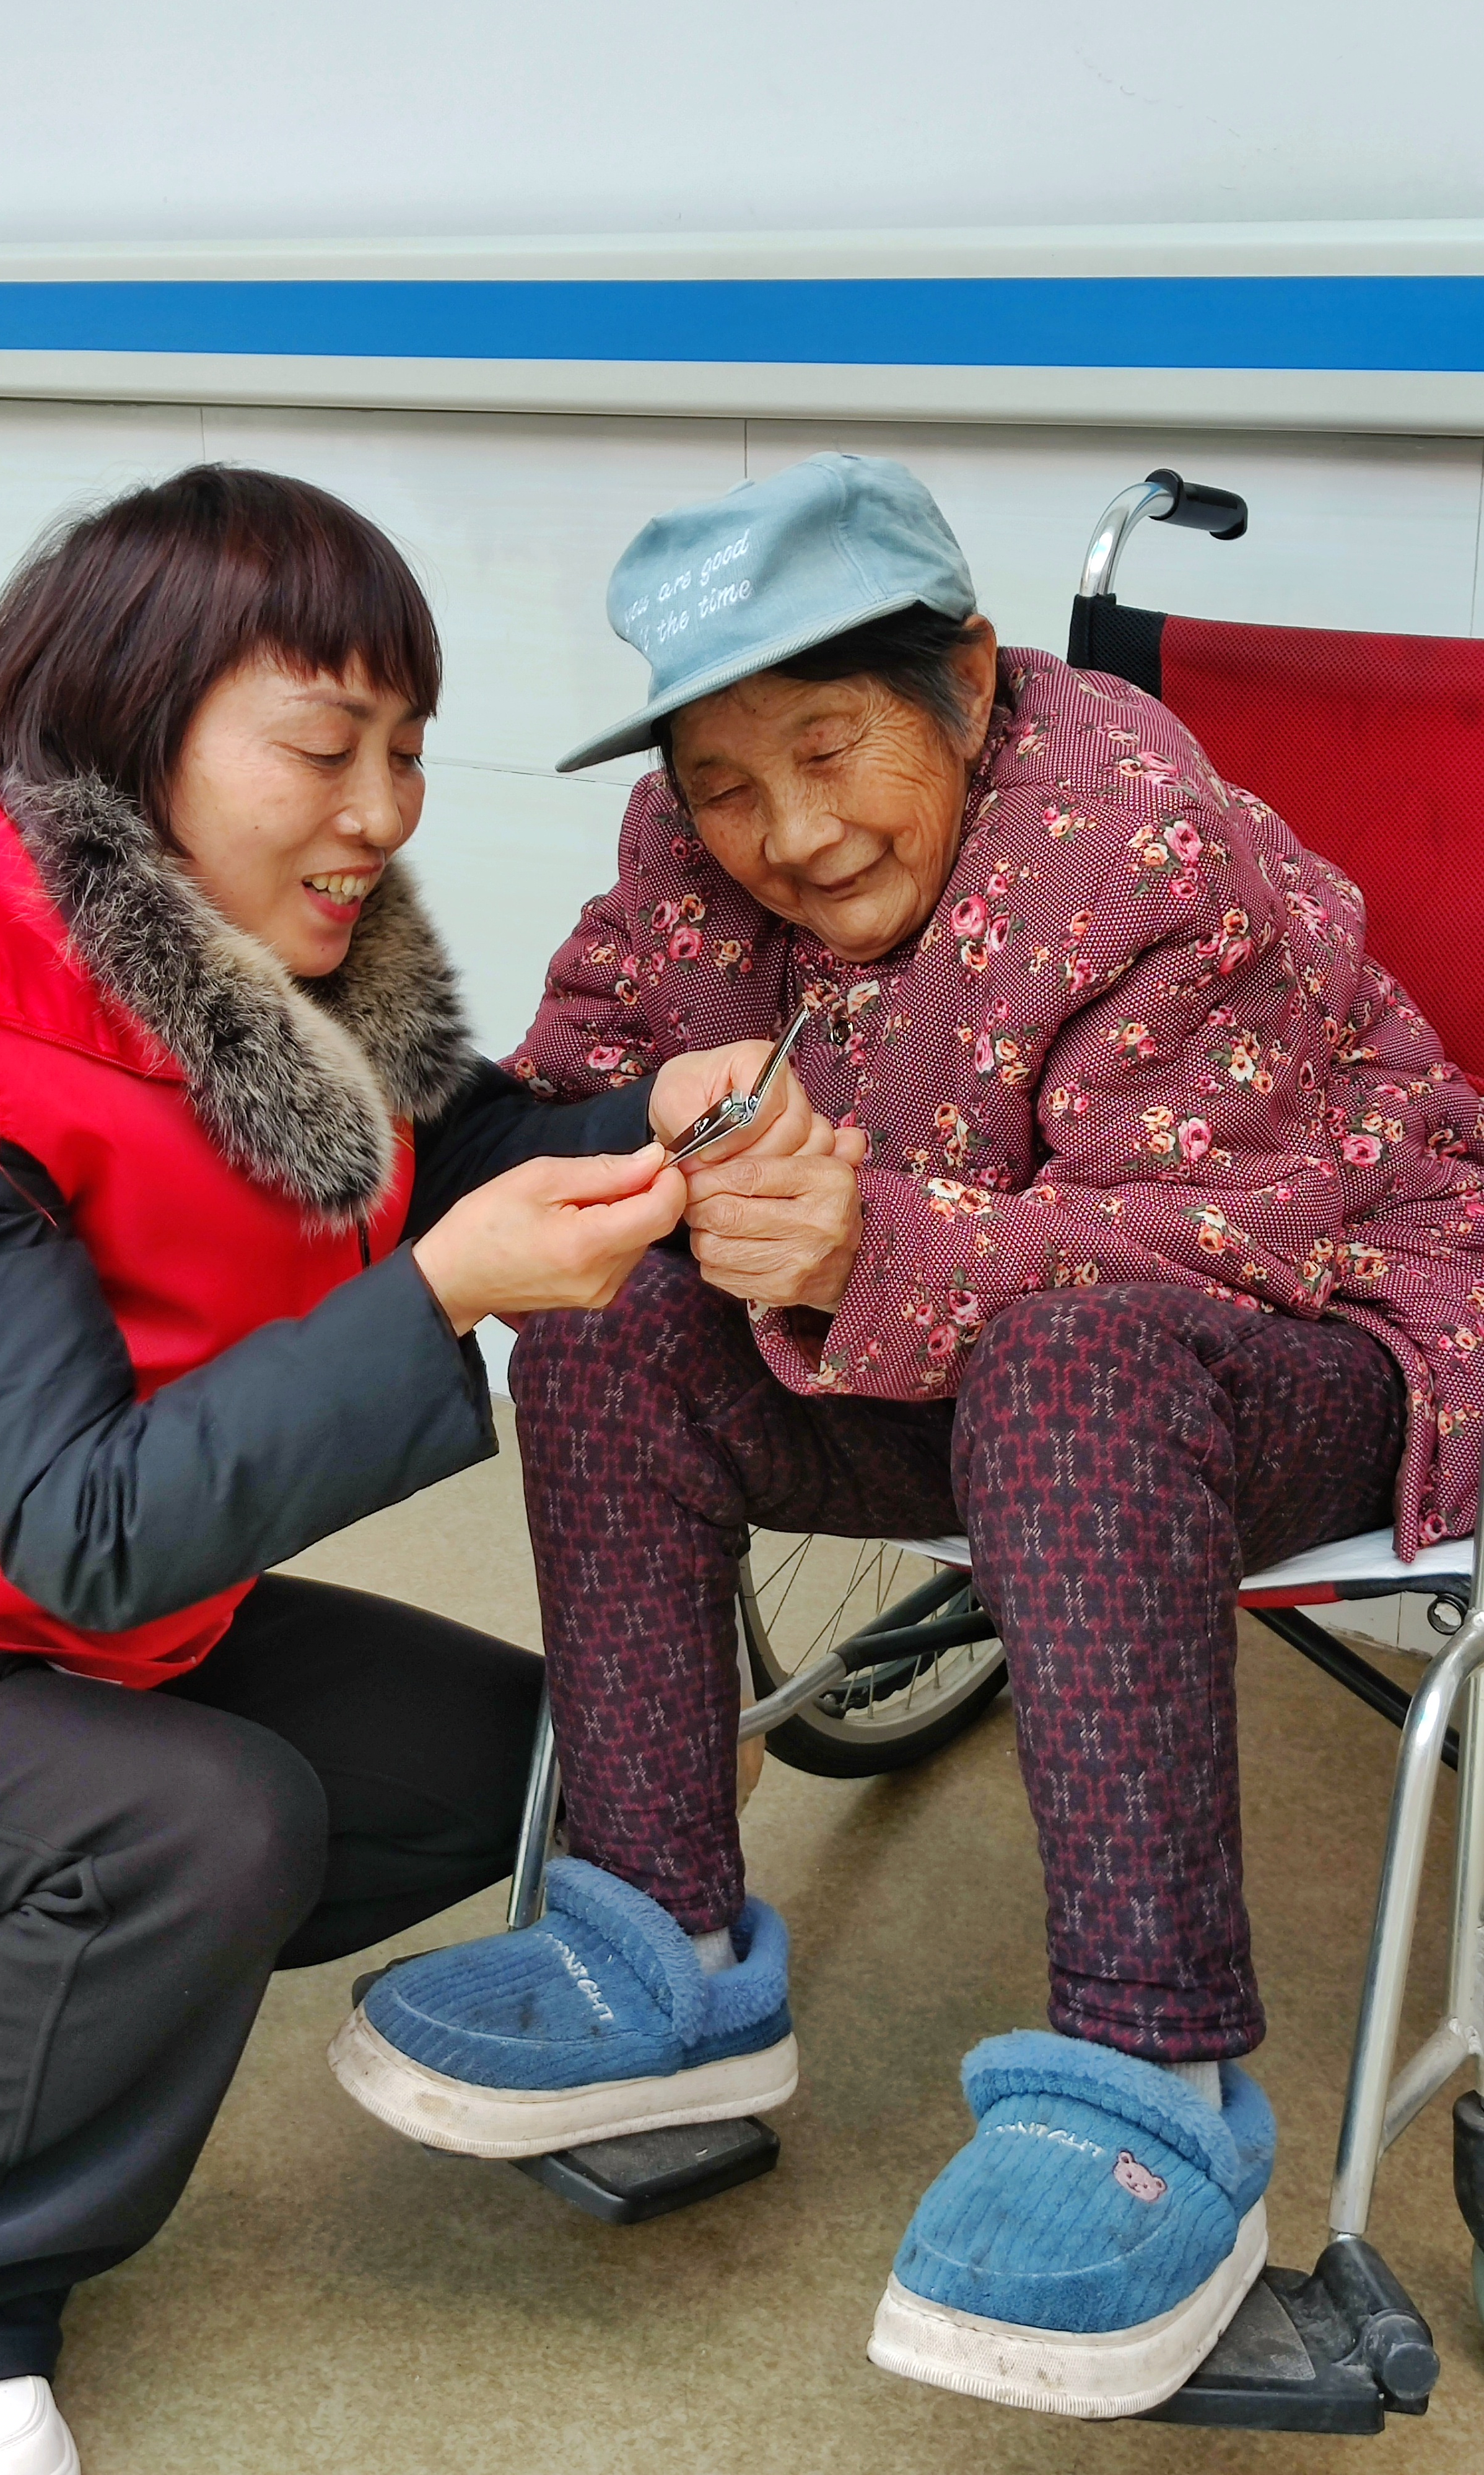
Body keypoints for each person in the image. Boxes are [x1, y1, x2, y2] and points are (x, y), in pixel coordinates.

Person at [0, 466, 800, 2475]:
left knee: (572, 1754)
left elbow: (442, 1150)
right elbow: (88, 1523)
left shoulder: (266, 936)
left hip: (47, 1622)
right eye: (328, 749)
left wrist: (648, 1122)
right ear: (124, 727)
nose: (386, 810)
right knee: (209, 1828)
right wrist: (445, 1295)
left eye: (408, 750)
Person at [327, 453, 1484, 2419]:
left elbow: (1237, 1232)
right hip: (951, 1362)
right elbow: (562, 1088)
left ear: (964, 680)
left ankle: (1152, 2087)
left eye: (830, 747)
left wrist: (877, 1239)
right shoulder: (687, 850)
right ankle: (661, 1952)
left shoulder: (1142, 840)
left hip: (1329, 1328)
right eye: (722, 779)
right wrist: (635, 1155)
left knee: (1071, 1367)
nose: (786, 832)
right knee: (610, 1326)